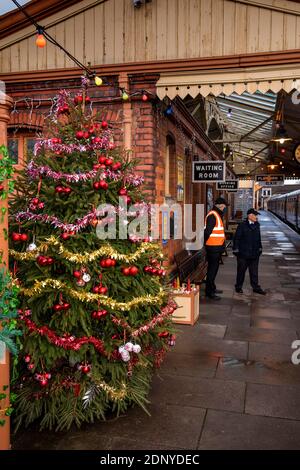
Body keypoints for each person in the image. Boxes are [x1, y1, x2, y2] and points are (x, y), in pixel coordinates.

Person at [232, 208, 266, 295]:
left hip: (254, 253)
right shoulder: (242, 225)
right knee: (241, 271)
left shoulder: (257, 225)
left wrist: (260, 248)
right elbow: (237, 238)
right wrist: (236, 250)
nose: (256, 217)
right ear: (249, 216)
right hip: (243, 254)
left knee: (254, 272)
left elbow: (258, 238)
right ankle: (238, 287)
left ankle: (256, 287)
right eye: (255, 215)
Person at [204, 197, 229, 300]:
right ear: (219, 205)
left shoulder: (217, 214)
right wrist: (206, 244)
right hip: (213, 248)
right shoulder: (213, 215)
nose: (224, 208)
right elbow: (207, 232)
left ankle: (212, 288)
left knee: (214, 269)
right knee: (212, 270)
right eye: (223, 206)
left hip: (216, 247)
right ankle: (209, 292)